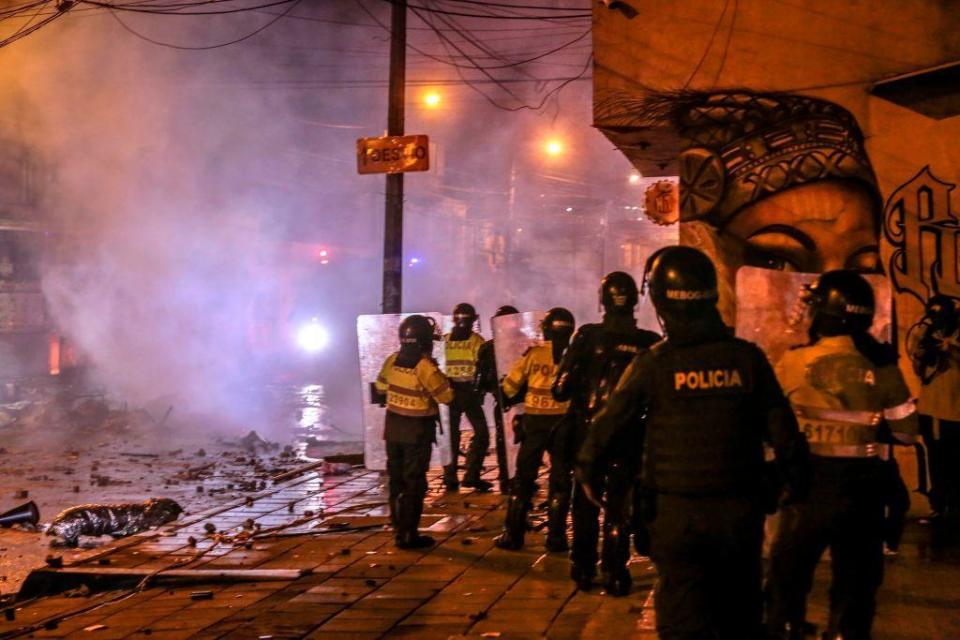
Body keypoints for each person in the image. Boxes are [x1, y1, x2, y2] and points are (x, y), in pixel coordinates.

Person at [578, 246, 809, 639]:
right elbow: (787, 441)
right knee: (740, 617)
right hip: (740, 513)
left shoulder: (654, 364)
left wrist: (590, 475)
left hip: (676, 516)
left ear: (659, 302)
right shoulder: (746, 360)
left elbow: (603, 433)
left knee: (684, 620)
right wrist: (783, 489)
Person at [767, 270, 920, 640]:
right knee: (855, 589)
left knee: (786, 583)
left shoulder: (792, 363)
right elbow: (906, 432)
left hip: (806, 492)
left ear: (822, 314)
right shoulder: (883, 367)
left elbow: (770, 426)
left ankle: (786, 629)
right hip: (862, 495)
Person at [553, 271, 661, 595]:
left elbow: (560, 389)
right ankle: (616, 573)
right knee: (620, 506)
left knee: (584, 503)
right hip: (630, 437)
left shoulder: (587, 336)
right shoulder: (650, 343)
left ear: (602, 300)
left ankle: (583, 568)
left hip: (588, 434)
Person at [494, 307, 576, 552]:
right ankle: (557, 538)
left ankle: (514, 535)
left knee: (524, 479)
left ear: (546, 329)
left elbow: (509, 387)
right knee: (561, 480)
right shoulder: (575, 356)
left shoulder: (534, 354)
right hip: (564, 424)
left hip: (536, 423)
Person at [373, 315, 454, 549]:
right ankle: (409, 535)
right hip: (416, 433)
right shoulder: (425, 367)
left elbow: (380, 386)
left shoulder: (392, 360)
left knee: (396, 481)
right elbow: (446, 396)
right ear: (424, 341)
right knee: (414, 484)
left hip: (393, 430)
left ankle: (399, 529)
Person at [908, 294, 960, 523]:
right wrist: (923, 350)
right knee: (937, 459)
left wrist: (952, 347)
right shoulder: (928, 333)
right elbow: (919, 368)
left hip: (952, 409)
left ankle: (951, 506)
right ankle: (939, 505)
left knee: (952, 458)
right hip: (933, 409)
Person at [443, 302, 493, 492]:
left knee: (451, 436)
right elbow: (484, 370)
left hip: (449, 393)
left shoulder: (444, 341)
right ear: (473, 320)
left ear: (454, 320)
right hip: (468, 393)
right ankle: (471, 475)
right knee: (481, 433)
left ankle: (450, 478)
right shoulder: (477, 342)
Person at [477, 305, 520, 494]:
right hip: (510, 401)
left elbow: (482, 381)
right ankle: (510, 478)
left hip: (512, 400)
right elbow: (482, 379)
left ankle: (511, 478)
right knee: (509, 441)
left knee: (512, 441)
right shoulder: (489, 348)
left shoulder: (490, 347)